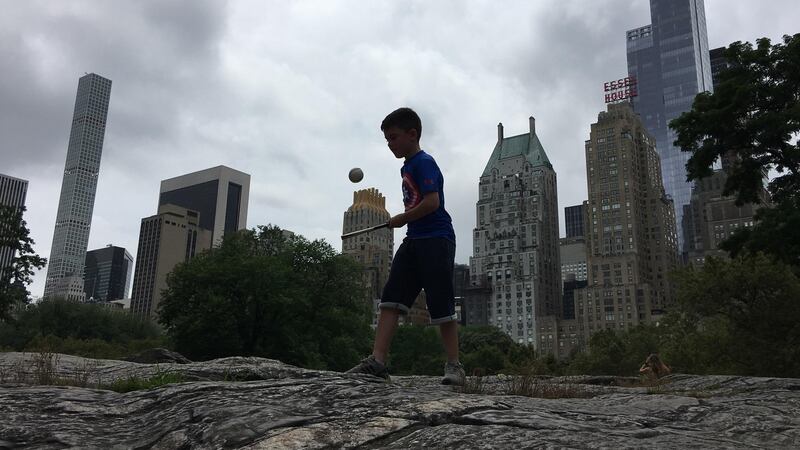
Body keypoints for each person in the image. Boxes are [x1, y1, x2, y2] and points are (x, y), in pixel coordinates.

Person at [347, 107, 465, 386]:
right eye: (387, 140)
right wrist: (406, 223)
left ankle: (454, 366)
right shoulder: (407, 166)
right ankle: (377, 362)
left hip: (436, 239)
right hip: (414, 240)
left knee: (441, 304)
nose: (390, 144)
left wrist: (401, 218)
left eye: (394, 138)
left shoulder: (424, 162)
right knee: (391, 299)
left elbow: (432, 202)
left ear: (412, 135)